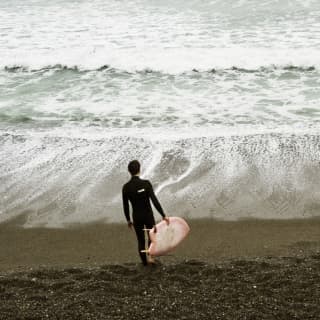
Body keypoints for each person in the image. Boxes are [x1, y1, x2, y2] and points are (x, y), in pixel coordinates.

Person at [122, 160, 169, 265]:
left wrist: (128, 220)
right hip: (148, 216)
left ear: (129, 171)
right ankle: (151, 258)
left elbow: (125, 206)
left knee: (141, 240)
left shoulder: (126, 187)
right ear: (139, 169)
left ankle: (144, 263)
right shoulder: (146, 184)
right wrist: (163, 215)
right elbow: (154, 200)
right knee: (151, 236)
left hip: (137, 217)